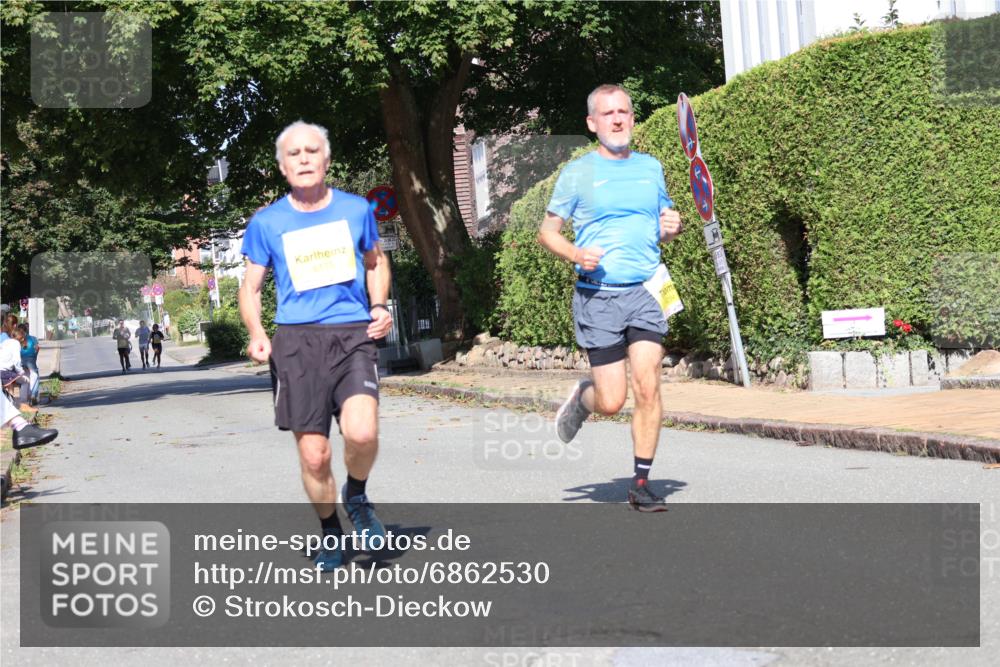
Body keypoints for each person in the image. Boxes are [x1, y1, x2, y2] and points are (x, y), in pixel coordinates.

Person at [238, 120, 392, 570]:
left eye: (311, 151)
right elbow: (250, 288)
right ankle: (330, 531)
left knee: (362, 433)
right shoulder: (267, 222)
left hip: (352, 334)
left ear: (325, 160)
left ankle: (357, 496)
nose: (304, 159)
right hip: (297, 342)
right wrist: (257, 334)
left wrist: (379, 306)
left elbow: (376, 261)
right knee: (315, 452)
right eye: (294, 154)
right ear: (282, 167)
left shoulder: (355, 210)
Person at [538, 84, 684, 512]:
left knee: (649, 384)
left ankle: (641, 482)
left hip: (646, 290)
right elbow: (548, 233)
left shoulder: (651, 169)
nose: (618, 119)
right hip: (598, 296)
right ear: (592, 123)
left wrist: (670, 228)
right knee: (612, 400)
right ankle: (586, 397)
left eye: (624, 112)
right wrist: (576, 254)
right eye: (608, 114)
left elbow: (660, 226)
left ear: (632, 119)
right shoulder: (578, 174)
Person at [1, 325, 36, 413]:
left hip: (3, 370)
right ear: (22, 338)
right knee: (25, 380)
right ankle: (24, 404)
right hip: (4, 371)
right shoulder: (16, 344)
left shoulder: (6, 342)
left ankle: (11, 407)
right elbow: (16, 361)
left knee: (11, 384)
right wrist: (21, 372)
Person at [17, 323, 41, 405]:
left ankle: (24, 400)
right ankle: (33, 394)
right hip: (31, 360)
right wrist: (35, 356)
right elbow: (37, 348)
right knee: (35, 376)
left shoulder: (17, 339)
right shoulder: (33, 338)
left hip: (21, 360)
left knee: (25, 379)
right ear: (27, 330)